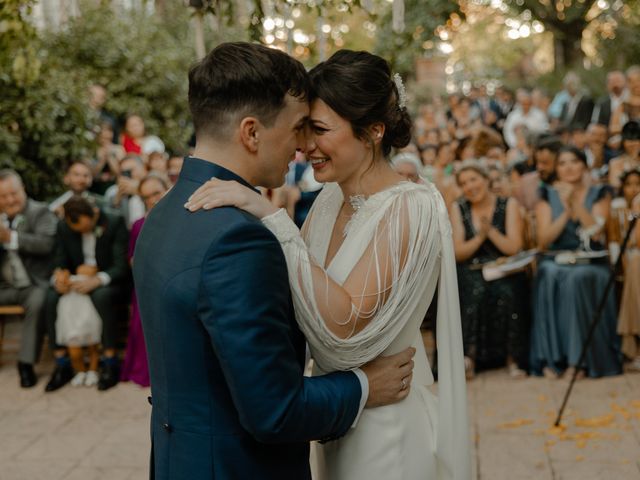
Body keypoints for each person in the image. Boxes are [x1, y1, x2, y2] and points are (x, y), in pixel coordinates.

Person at [133, 42, 417, 480]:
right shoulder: (237, 240)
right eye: (299, 126)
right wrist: (364, 386)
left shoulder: (166, 212)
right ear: (251, 132)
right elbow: (275, 411)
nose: (303, 145)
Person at [187, 47, 470, 480]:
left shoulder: (411, 208)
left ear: (373, 131)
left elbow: (344, 330)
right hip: (338, 416)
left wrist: (270, 217)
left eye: (318, 129)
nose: (304, 146)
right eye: (302, 129)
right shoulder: (329, 199)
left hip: (387, 429)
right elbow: (296, 300)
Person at [530, 146, 621, 378]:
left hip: (591, 263)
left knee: (576, 278)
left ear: (584, 165)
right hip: (556, 258)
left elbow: (597, 234)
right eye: (562, 163)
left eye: (574, 161)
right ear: (556, 169)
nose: (569, 167)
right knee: (548, 273)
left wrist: (576, 204)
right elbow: (543, 241)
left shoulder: (600, 192)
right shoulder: (546, 194)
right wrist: (565, 212)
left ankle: (577, 361)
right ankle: (550, 360)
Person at [450, 161, 528, 379]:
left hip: (503, 266)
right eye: (464, 183)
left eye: (473, 179)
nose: (470, 186)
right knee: (475, 289)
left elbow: (513, 247)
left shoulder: (507, 204)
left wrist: (491, 232)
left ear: (486, 180)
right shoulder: (458, 207)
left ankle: (513, 358)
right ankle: (469, 358)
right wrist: (480, 237)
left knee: (508, 292)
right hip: (471, 266)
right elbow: (458, 252)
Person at [44, 196, 129, 392]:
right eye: (77, 230)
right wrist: (59, 277)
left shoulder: (114, 221)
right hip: (76, 281)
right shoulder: (64, 226)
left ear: (95, 214)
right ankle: (62, 363)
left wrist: (97, 280)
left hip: (109, 280)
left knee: (101, 296)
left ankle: (109, 360)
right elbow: (59, 259)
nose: (81, 232)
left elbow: (120, 266)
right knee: (49, 298)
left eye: (85, 227)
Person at [0, 170, 57, 388]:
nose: (9, 200)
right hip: (4, 286)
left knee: (38, 299)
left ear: (23, 189)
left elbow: (46, 244)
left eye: (13, 193)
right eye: (3, 197)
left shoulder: (40, 211)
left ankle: (25, 364)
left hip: (31, 285)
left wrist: (10, 237)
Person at [120, 173, 170, 387]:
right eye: (146, 196)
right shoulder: (139, 225)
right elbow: (132, 259)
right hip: (148, 282)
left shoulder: (185, 216)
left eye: (156, 193)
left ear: (167, 189)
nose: (152, 199)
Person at [610, 168, 640, 370]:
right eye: (629, 184)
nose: (633, 189)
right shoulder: (617, 210)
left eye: (637, 184)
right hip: (626, 257)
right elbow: (614, 239)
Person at [55, 262, 102, 388]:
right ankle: (80, 371)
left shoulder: (91, 277)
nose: (84, 265)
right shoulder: (68, 274)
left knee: (93, 345)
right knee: (74, 348)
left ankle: (93, 370)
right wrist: (62, 280)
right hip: (70, 317)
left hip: (88, 315)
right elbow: (59, 276)